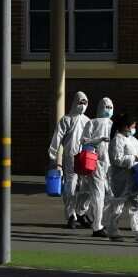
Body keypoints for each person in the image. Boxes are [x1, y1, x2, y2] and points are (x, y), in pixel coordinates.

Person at [104, 112, 138, 242]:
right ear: (126, 127)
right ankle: (112, 230)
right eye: (133, 126)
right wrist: (134, 158)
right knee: (118, 205)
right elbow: (117, 159)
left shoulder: (133, 140)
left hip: (136, 178)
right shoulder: (117, 140)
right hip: (121, 179)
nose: (134, 128)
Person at [47, 91, 90, 229]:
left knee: (86, 186)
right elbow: (57, 137)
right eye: (80, 102)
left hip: (85, 157)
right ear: (75, 102)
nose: (82, 105)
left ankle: (81, 212)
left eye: (85, 103)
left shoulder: (87, 121)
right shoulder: (66, 119)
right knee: (70, 187)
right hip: (70, 157)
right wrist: (53, 156)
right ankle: (71, 215)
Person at [81, 97, 114, 238]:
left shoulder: (113, 124)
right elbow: (84, 141)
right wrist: (98, 140)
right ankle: (97, 227)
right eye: (106, 107)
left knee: (110, 195)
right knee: (99, 195)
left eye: (110, 107)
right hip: (97, 164)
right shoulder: (92, 123)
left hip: (110, 165)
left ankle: (95, 217)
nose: (108, 110)